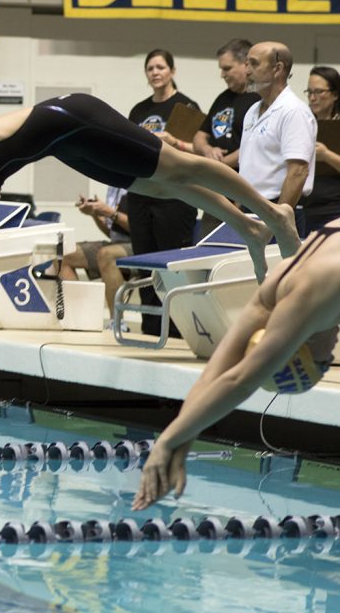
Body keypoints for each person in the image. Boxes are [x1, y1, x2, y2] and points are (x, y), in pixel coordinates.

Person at [0, 93, 301, 385]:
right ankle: (247, 226)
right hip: (64, 143)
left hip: (77, 119)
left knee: (183, 167)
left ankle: (271, 213)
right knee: (157, 184)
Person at [132, 221, 340, 511]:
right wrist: (183, 438)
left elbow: (238, 379)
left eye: (324, 361)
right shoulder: (295, 281)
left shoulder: (301, 287)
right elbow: (219, 374)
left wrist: (170, 442)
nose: (332, 351)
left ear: (297, 348)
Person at [128, 49, 201, 336]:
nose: (155, 72)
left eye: (160, 67)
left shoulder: (186, 107)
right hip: (142, 194)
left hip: (174, 197)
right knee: (144, 264)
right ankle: (149, 327)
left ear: (172, 71)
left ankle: (175, 330)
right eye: (150, 68)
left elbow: (200, 152)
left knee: (170, 265)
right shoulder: (139, 110)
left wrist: (174, 142)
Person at [238, 41, 317, 235]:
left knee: (281, 266)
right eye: (246, 63)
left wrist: (279, 221)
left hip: (277, 209)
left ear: (277, 68)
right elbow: (248, 165)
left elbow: (298, 171)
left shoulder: (294, 111)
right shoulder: (252, 111)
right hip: (250, 209)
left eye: (254, 64)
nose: (246, 70)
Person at [192, 38, 261, 237]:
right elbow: (199, 137)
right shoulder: (223, 98)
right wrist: (207, 150)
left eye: (227, 68)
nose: (222, 74)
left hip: (244, 193)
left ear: (245, 64)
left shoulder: (259, 100)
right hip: (215, 191)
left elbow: (255, 146)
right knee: (207, 248)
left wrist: (219, 165)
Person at [58, 189, 132, 315]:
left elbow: (140, 229)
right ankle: (75, 317)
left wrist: (112, 213)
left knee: (107, 255)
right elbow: (111, 233)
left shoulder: (138, 186)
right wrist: (94, 214)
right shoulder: (113, 188)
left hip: (140, 244)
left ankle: (117, 322)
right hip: (117, 242)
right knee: (66, 253)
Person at [301, 66, 340, 231]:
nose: (312, 98)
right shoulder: (302, 122)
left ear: (335, 94)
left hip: (334, 207)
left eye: (318, 92)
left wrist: (327, 156)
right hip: (304, 207)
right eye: (309, 92)